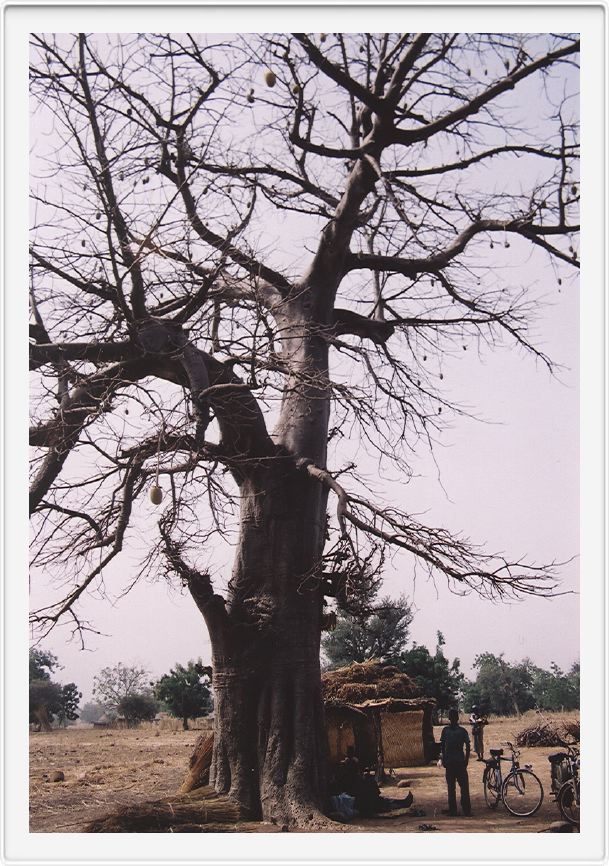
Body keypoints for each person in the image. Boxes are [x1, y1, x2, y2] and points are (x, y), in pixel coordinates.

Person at [440, 707, 472, 817]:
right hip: (459, 762)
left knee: (451, 788)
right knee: (464, 787)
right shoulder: (462, 731)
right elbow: (467, 746)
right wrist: (466, 760)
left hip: (451, 762)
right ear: (457, 718)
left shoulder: (446, 731)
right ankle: (466, 810)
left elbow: (442, 746)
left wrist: (443, 758)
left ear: (449, 718)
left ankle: (454, 810)